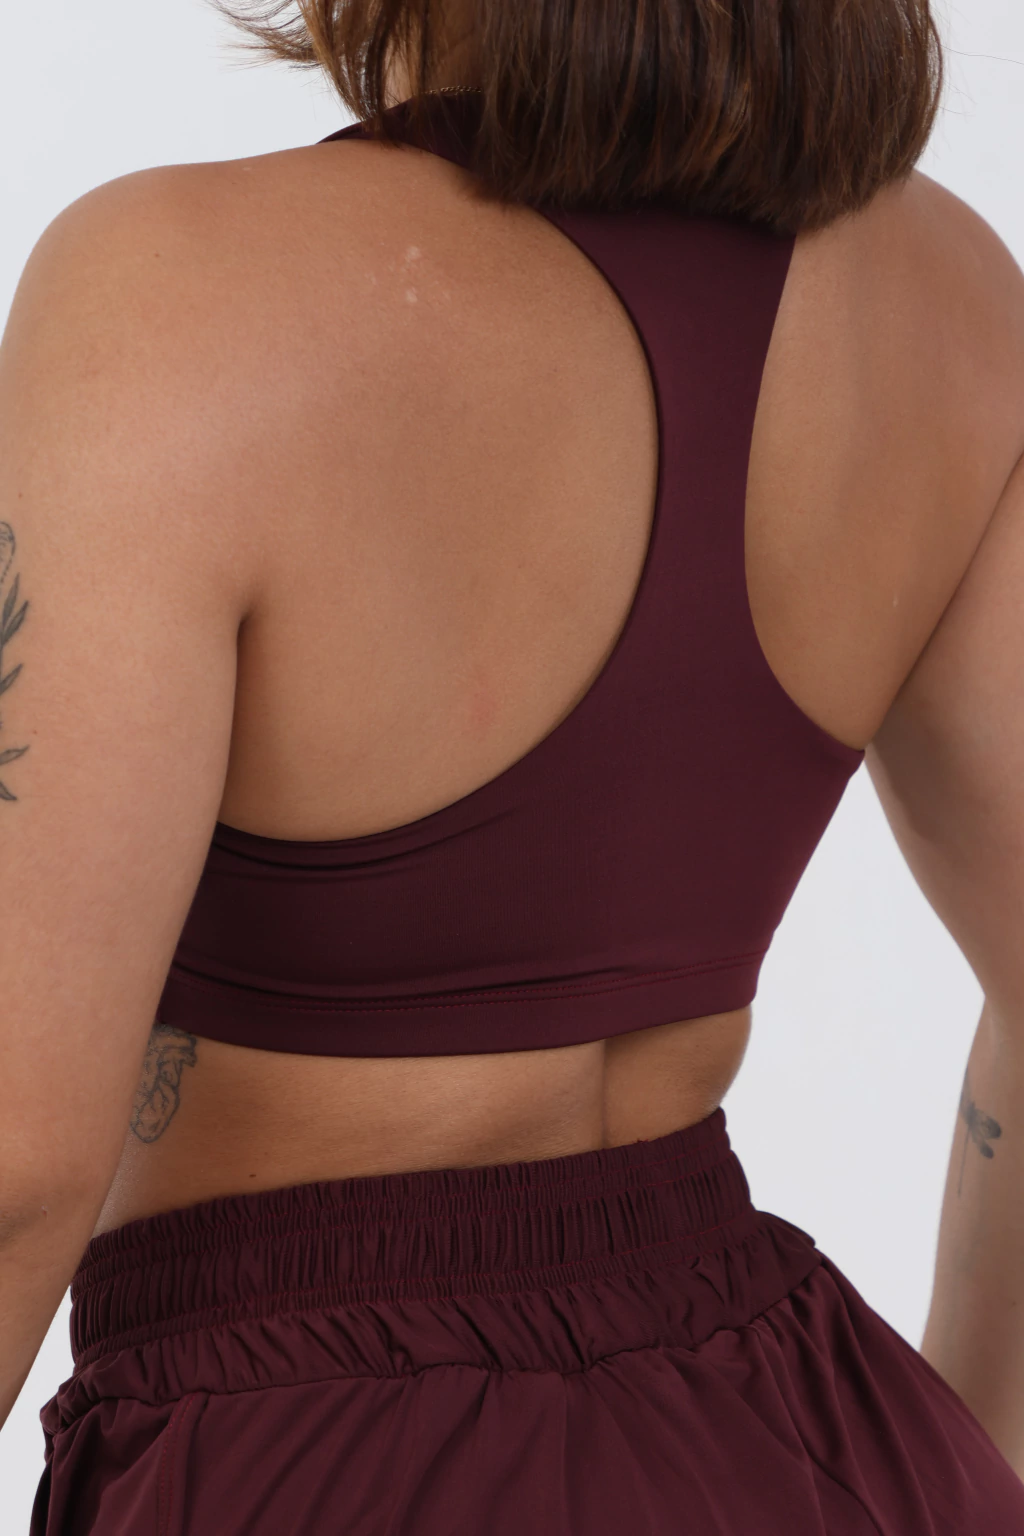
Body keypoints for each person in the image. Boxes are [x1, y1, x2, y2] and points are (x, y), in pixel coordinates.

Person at [3, 0, 1024, 1529]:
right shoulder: (944, 294)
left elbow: (16, 1166)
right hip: (814, 1431)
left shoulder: (173, 294)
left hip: (317, 1461)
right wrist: (961, 1460)